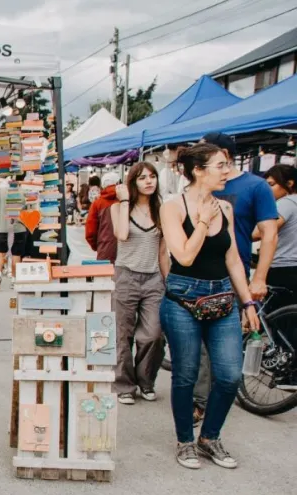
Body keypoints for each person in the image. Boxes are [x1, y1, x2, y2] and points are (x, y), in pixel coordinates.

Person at [159, 143, 259, 470]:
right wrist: (202, 222)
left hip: (222, 298)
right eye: (220, 165)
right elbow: (184, 256)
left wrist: (247, 302)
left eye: (227, 165)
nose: (227, 171)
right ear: (198, 170)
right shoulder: (172, 207)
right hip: (182, 298)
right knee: (186, 375)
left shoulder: (226, 208)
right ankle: (185, 440)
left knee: (229, 376)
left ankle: (209, 437)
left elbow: (233, 259)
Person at [192, 132, 281, 417]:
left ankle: (213, 403)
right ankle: (200, 403)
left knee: (224, 345)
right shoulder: (199, 184)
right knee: (199, 345)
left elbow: (269, 233)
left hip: (234, 274)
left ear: (224, 156)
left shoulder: (255, 187)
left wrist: (259, 278)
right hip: (195, 275)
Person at [112, 163, 168, 404]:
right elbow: (122, 234)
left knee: (154, 334)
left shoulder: (162, 210)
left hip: (154, 277)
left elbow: (163, 250)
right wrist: (125, 201)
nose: (149, 181)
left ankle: (146, 380)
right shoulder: (118, 208)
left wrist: (169, 280)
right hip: (126, 275)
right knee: (122, 334)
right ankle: (124, 384)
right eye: (142, 177)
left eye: (152, 176)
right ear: (132, 182)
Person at [262, 164, 297, 311]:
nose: (268, 190)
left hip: (283, 268)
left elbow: (261, 232)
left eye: (272, 184)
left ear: (289, 183)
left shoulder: (286, 202)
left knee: (278, 320)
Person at [0, 177, 29, 291]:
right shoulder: (23, 193)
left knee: (0, 252)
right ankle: (13, 279)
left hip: (2, 228)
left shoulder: (1, 192)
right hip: (18, 228)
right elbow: (28, 208)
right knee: (16, 254)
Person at [85, 171, 121, 262]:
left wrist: (98, 246)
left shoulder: (97, 203)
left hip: (105, 249)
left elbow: (90, 232)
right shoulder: (126, 200)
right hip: (128, 250)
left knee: (105, 275)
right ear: (118, 183)